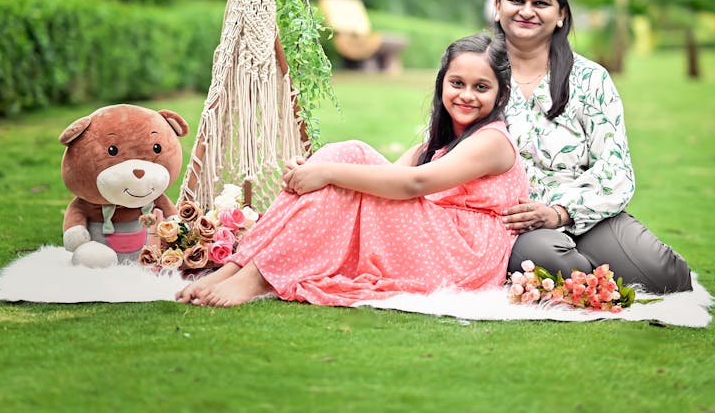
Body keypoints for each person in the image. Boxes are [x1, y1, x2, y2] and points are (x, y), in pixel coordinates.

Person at [176, 33, 529, 307]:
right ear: (442, 84)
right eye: (457, 83)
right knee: (347, 160)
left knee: (351, 155)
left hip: (464, 255)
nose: (467, 95)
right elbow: (384, 180)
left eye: (481, 87)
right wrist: (314, 171)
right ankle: (238, 268)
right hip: (440, 238)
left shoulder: (493, 141)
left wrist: (327, 173)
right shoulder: (440, 139)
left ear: (501, 94)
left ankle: (255, 275)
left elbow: (412, 183)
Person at [494, 0, 692, 293]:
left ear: (561, 15)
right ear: (498, 7)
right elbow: (441, 146)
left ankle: (593, 269)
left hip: (583, 210)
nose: (527, 11)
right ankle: (589, 276)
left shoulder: (590, 79)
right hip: (516, 223)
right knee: (553, 260)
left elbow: (616, 170)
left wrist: (559, 212)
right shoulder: (477, 73)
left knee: (666, 276)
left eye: (541, 3)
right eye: (516, 0)